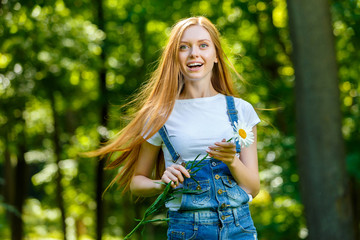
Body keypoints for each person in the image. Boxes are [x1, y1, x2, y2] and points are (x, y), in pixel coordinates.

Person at [92, 16, 260, 240]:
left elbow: (253, 188)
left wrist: (232, 161)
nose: (194, 53)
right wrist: (162, 183)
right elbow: (137, 182)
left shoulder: (241, 110)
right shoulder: (160, 115)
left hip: (240, 228)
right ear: (175, 57)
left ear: (216, 55)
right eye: (184, 47)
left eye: (203, 45)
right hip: (188, 230)